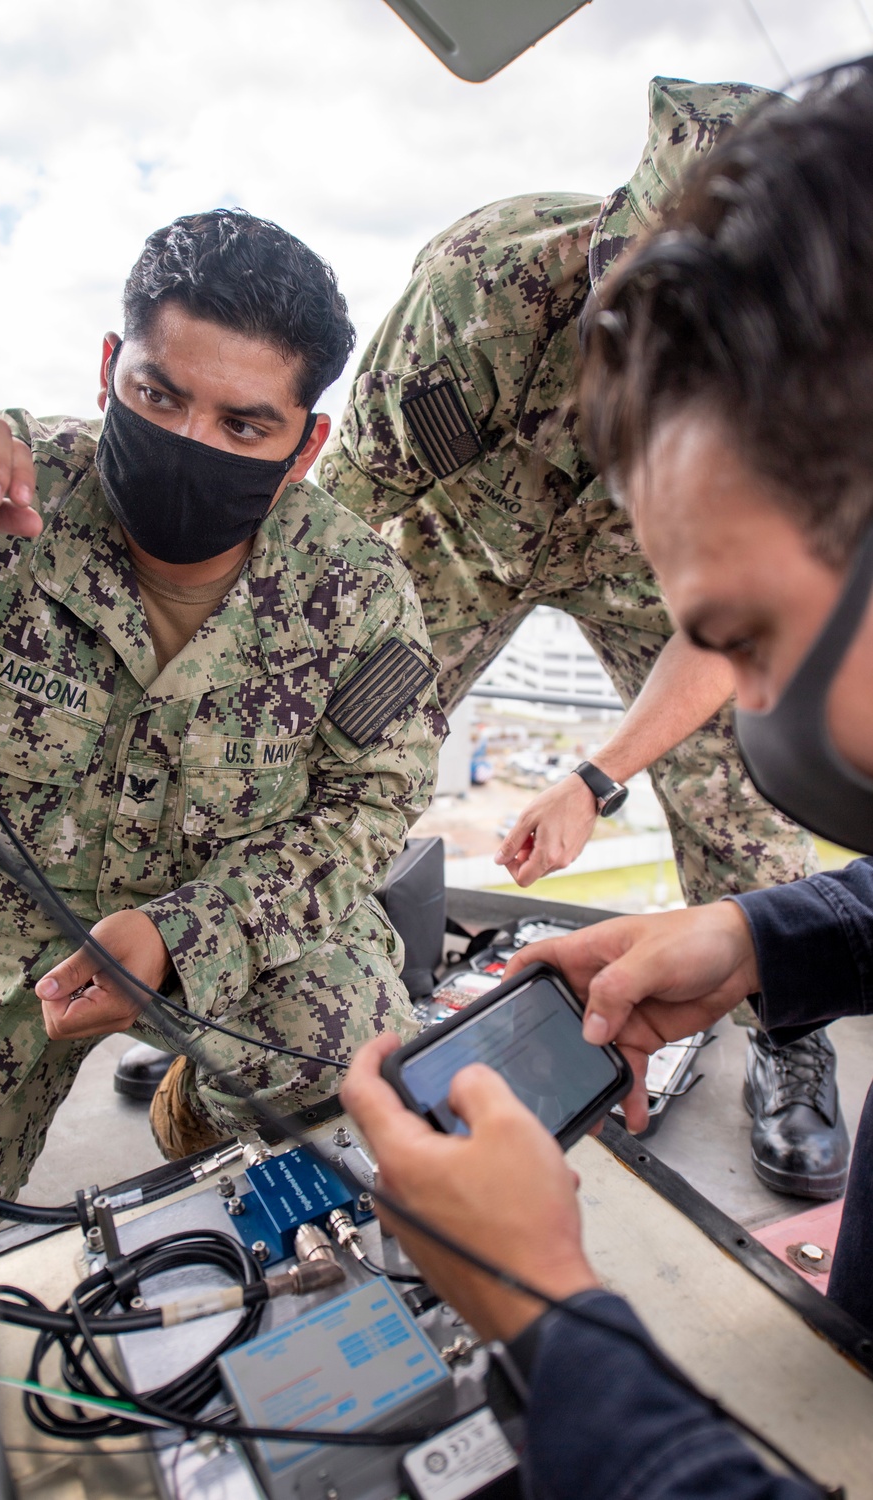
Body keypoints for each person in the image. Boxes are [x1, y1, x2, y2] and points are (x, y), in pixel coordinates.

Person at [343, 61, 873, 1497]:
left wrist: (552, 1318)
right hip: (451, 565)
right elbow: (343, 563)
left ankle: (794, 1039)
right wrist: (780, 940)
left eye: (766, 640)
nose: (764, 706)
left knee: (753, 808)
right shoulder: (475, 299)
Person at [0, 209, 445, 1200]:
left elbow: (364, 810)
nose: (185, 442)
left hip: (222, 931)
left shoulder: (356, 590)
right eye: (157, 396)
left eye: (242, 424)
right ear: (107, 369)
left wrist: (186, 935)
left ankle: (192, 1108)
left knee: (355, 1064)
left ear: (306, 446)